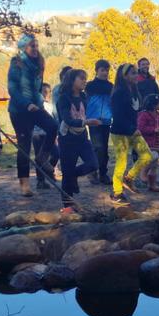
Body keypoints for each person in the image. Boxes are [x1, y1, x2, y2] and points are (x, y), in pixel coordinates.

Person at [7, 33, 57, 197]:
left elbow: (37, 87)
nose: (36, 48)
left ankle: (42, 157)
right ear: (23, 48)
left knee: (52, 126)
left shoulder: (39, 63)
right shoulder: (16, 64)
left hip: (36, 106)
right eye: (32, 46)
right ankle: (25, 184)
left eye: (37, 45)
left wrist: (38, 101)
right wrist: (26, 104)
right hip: (19, 110)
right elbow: (12, 90)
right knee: (24, 145)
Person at [56, 68, 100, 213]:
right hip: (67, 139)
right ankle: (67, 205)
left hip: (82, 137)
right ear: (72, 80)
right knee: (67, 171)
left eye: (85, 78)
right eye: (81, 78)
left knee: (93, 164)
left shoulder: (83, 96)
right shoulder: (63, 98)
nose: (84, 80)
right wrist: (86, 123)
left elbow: (86, 113)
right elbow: (66, 119)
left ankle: (72, 175)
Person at [109, 63, 153, 204]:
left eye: (136, 73)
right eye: (133, 73)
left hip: (133, 130)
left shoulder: (134, 90)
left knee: (147, 156)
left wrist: (135, 127)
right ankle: (116, 193)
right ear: (124, 76)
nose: (136, 75)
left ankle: (129, 178)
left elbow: (135, 112)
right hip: (120, 132)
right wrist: (131, 128)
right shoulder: (119, 93)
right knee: (121, 162)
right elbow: (118, 115)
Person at [86, 59, 113, 185]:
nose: (105, 73)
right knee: (98, 147)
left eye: (107, 70)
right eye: (102, 70)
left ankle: (103, 173)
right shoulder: (90, 85)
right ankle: (93, 171)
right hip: (93, 120)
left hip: (106, 120)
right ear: (97, 71)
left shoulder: (110, 86)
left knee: (104, 148)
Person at [137, 94, 159, 192]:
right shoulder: (143, 115)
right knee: (152, 157)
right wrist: (154, 130)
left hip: (156, 143)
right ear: (153, 104)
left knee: (154, 165)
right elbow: (141, 128)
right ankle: (143, 172)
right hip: (146, 143)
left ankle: (152, 185)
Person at [34, 83, 60, 190]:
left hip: (49, 135)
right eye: (43, 92)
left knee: (56, 154)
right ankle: (40, 181)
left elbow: (55, 119)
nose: (45, 94)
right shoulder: (37, 105)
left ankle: (49, 171)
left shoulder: (51, 106)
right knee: (39, 157)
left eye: (47, 92)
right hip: (37, 134)